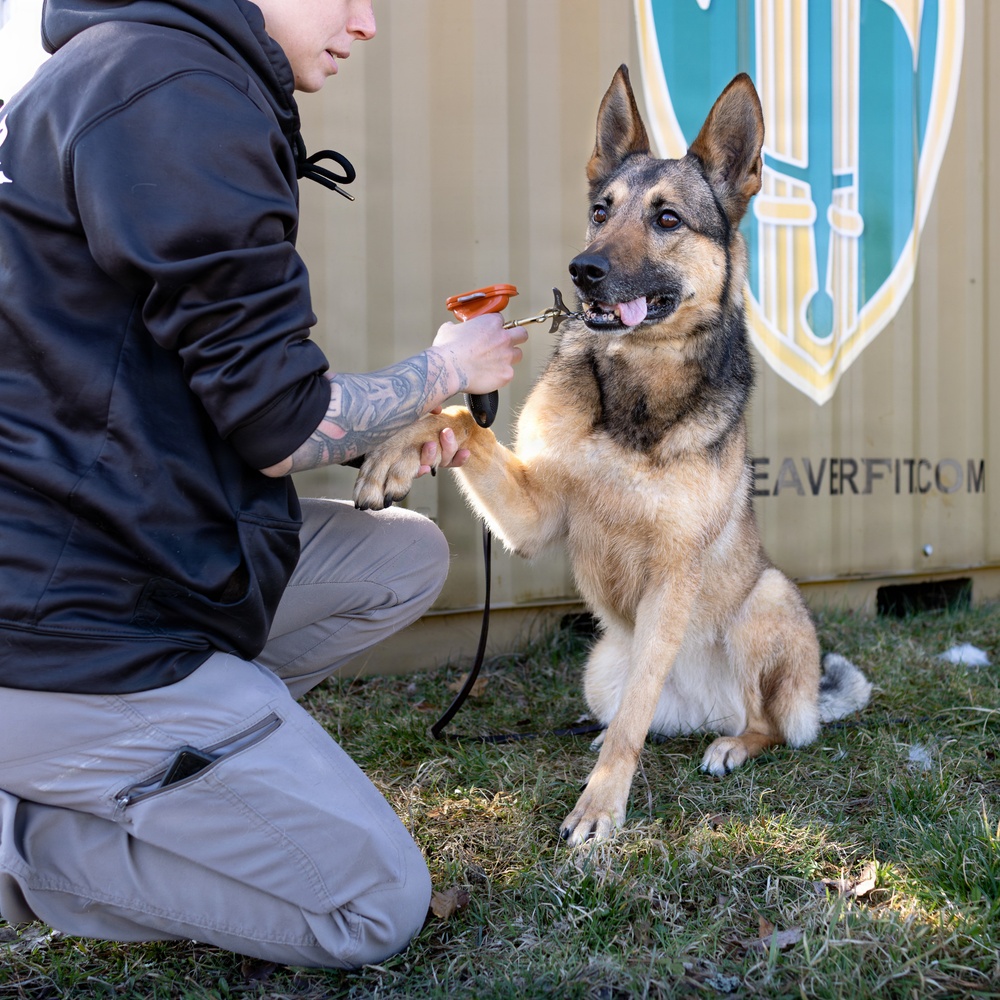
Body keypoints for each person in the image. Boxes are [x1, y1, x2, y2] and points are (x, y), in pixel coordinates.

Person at [0, 0, 526, 969]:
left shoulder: (132, 71)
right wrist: (448, 368)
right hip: (81, 632)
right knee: (375, 903)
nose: (365, 23)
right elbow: (283, 427)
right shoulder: (178, 93)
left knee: (400, 557)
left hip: (118, 565)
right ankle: (25, 844)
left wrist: (397, 413)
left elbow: (210, 398)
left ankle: (196, 763)